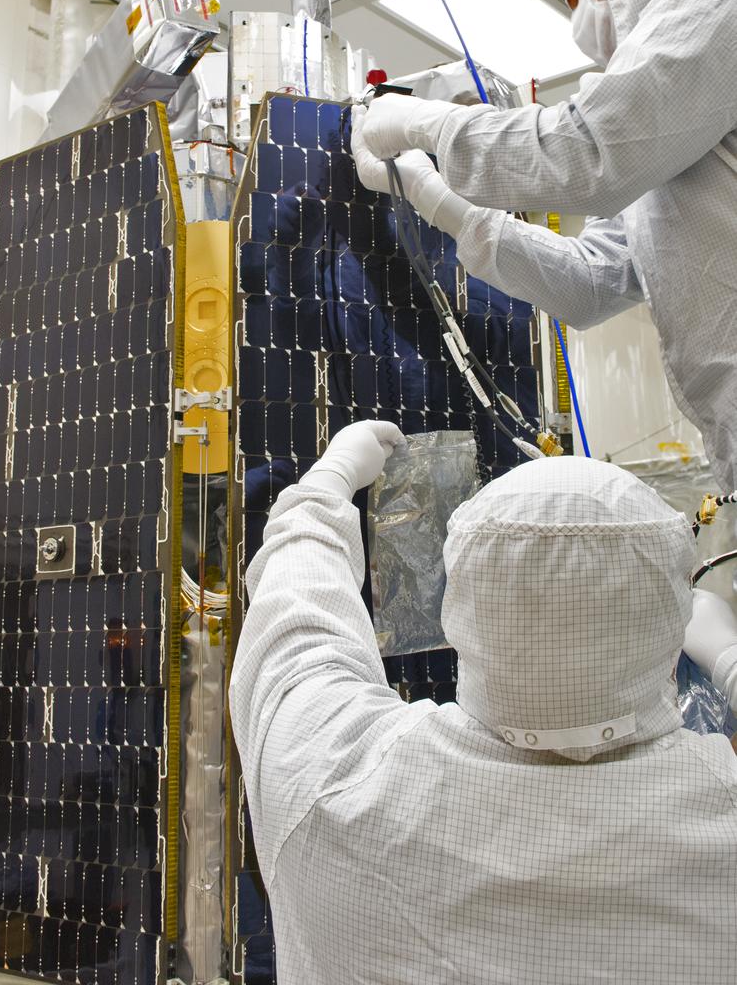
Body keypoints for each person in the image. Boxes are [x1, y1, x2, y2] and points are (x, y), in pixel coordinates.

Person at [229, 421, 737, 983]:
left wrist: (330, 481)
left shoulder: (333, 787)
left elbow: (295, 623)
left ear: (459, 604)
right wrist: (728, 658)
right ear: (675, 615)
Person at [351, 0, 737, 491]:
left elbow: (587, 154)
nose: (580, 27)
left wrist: (428, 122)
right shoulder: (661, 139)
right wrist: (437, 200)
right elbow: (588, 284)